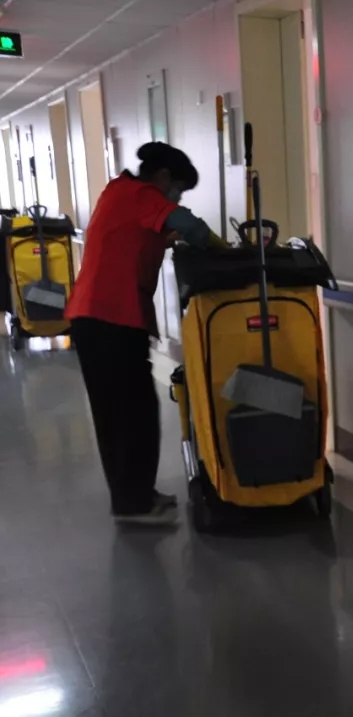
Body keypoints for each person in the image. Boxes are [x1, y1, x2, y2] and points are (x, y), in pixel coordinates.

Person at [66, 141, 216, 526]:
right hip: (107, 319)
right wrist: (220, 247)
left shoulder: (120, 192)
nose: (177, 197)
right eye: (178, 188)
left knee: (131, 411)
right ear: (163, 177)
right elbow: (188, 224)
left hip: (104, 318)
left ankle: (136, 495)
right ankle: (132, 504)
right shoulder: (139, 194)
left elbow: (141, 236)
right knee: (127, 414)